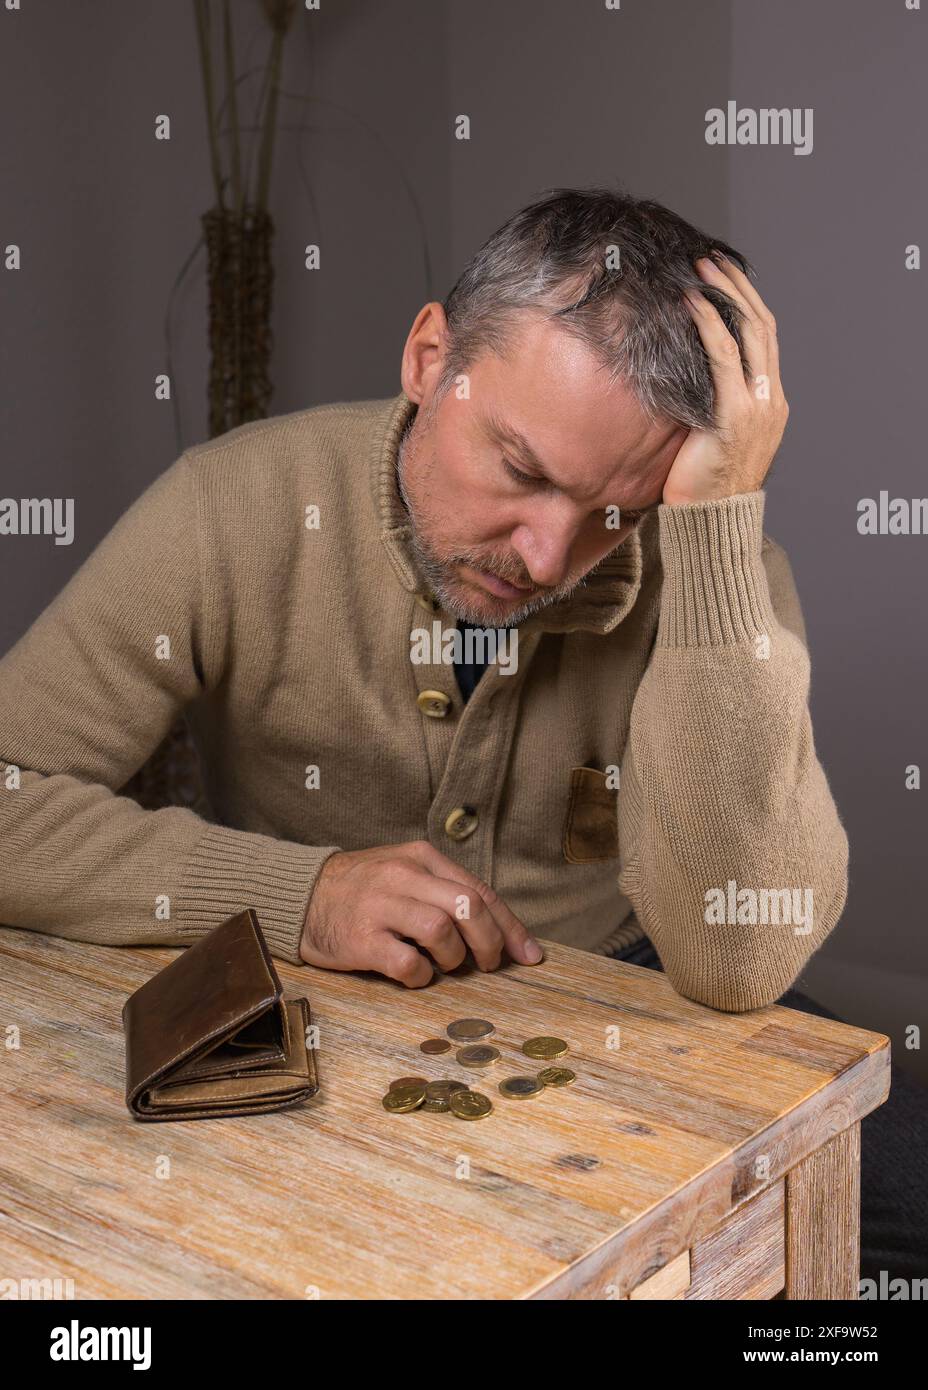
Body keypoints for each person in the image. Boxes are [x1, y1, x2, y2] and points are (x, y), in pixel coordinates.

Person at [1, 186, 922, 1284]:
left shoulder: (713, 563)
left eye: (613, 510)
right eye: (521, 470)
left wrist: (717, 531)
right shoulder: (234, 503)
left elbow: (735, 961)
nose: (543, 554)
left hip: (635, 995)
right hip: (319, 999)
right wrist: (298, 893)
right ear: (431, 358)